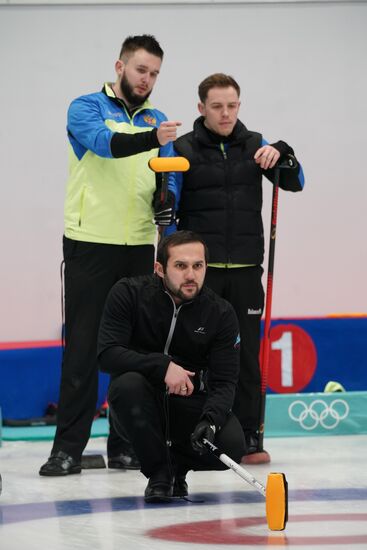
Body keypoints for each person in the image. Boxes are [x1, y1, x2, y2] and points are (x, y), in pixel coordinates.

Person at [39, 35, 180, 476]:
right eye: (141, 70)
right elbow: (103, 145)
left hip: (139, 244)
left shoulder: (159, 120)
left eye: (155, 73)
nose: (147, 79)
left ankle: (125, 445)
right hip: (90, 243)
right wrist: (152, 138)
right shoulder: (85, 107)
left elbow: (169, 175)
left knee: (135, 350)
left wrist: (167, 203)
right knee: (82, 348)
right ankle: (66, 450)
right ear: (120, 66)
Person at [169, 73, 305, 464]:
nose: (225, 113)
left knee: (244, 354)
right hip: (201, 273)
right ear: (201, 109)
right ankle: (187, 433)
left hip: (246, 269)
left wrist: (284, 151)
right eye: (217, 106)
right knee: (194, 351)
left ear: (239, 106)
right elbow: (168, 200)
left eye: (232, 105)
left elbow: (295, 181)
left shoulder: (254, 145)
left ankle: (248, 435)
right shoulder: (183, 148)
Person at [97, 231, 246, 502]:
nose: (191, 275)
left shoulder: (220, 313)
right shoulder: (128, 294)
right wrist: (162, 366)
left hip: (187, 403)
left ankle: (178, 467)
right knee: (127, 385)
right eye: (180, 266)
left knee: (233, 443)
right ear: (159, 269)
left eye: (197, 266)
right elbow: (107, 354)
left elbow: (225, 381)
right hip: (138, 404)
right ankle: (159, 474)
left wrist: (210, 420)